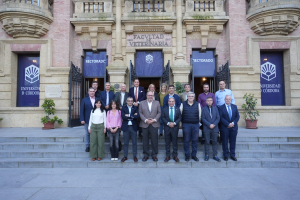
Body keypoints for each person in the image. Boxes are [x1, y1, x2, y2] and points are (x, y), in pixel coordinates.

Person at [139, 91, 161, 162]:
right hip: (145, 124)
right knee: (145, 140)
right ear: (146, 96)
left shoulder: (157, 102)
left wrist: (154, 120)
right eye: (149, 95)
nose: (150, 97)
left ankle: (154, 154)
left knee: (154, 140)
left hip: (154, 124)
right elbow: (140, 113)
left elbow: (159, 112)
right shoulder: (142, 103)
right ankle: (146, 154)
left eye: (151, 95)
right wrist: (145, 120)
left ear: (153, 96)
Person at [180, 92, 201, 162]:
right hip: (186, 124)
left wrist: (198, 123)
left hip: (195, 125)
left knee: (195, 140)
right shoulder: (183, 104)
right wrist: (180, 124)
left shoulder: (197, 104)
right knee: (186, 140)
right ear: (187, 97)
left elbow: (200, 115)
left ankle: (194, 155)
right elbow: (180, 113)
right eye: (189, 96)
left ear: (194, 97)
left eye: (192, 96)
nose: (190, 97)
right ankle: (187, 155)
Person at [219, 95, 240, 161]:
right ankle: (225, 155)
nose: (228, 100)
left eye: (229, 99)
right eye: (226, 99)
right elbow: (220, 117)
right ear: (224, 99)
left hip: (234, 127)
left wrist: (233, 123)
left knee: (233, 142)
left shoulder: (234, 106)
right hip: (225, 127)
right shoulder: (220, 107)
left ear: (231, 100)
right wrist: (228, 124)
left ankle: (232, 155)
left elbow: (237, 116)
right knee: (225, 142)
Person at [162, 97, 182, 162]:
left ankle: (175, 155)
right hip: (167, 127)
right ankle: (167, 156)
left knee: (175, 142)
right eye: (170, 101)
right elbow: (163, 117)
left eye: (172, 101)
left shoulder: (177, 109)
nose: (171, 102)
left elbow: (179, 117)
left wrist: (174, 123)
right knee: (167, 142)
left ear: (174, 102)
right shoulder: (164, 109)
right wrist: (168, 123)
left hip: (175, 128)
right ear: (168, 102)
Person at [201, 97, 221, 162]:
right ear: (206, 102)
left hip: (215, 128)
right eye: (208, 100)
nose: (209, 101)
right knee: (207, 142)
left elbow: (218, 118)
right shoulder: (203, 109)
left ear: (212, 101)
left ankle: (215, 155)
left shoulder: (216, 108)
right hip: (207, 128)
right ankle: (207, 155)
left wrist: (214, 124)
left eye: (210, 100)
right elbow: (203, 119)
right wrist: (209, 124)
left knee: (215, 142)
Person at [80, 87, 100, 152]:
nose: (92, 92)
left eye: (93, 91)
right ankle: (87, 146)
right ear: (88, 92)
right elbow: (82, 110)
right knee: (87, 133)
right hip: (87, 119)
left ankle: (94, 146)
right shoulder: (84, 100)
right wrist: (82, 119)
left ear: (95, 92)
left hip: (96, 120)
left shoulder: (98, 99)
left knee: (95, 133)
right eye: (90, 91)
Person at [121, 97, 139, 162]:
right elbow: (123, 116)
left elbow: (137, 116)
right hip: (126, 127)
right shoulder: (123, 108)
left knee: (134, 142)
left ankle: (135, 156)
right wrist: (132, 116)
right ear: (126, 101)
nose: (130, 102)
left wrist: (128, 116)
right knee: (126, 143)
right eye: (129, 101)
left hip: (133, 126)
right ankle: (125, 156)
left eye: (131, 101)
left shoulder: (136, 107)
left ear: (133, 102)